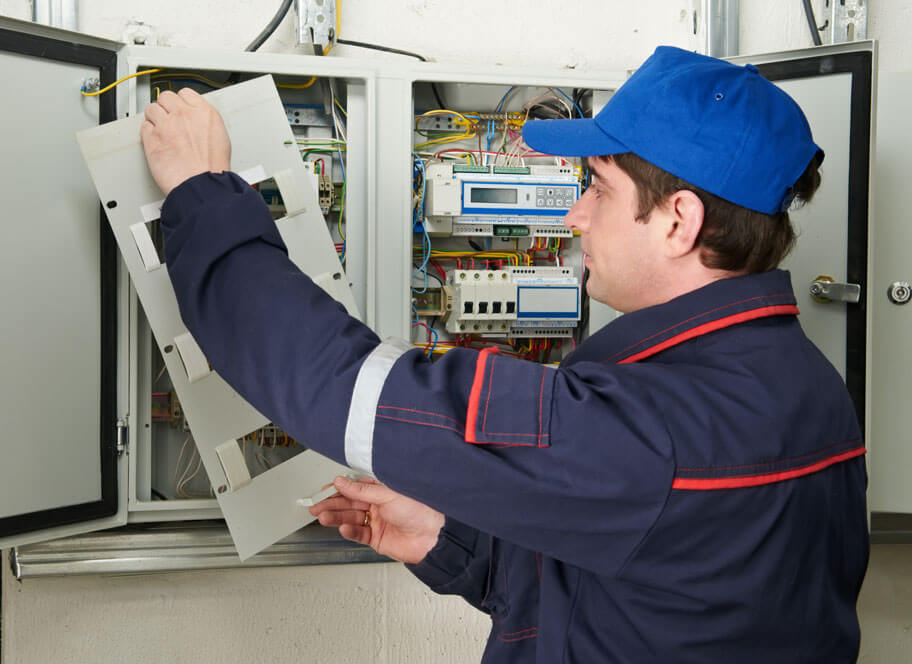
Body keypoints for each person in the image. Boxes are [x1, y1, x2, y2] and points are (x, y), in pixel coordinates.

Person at [140, 46, 868, 662]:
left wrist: (202, 194)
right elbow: (647, 588)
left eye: (600, 188)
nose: (575, 213)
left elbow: (338, 384)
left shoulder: (654, 428)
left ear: (679, 220)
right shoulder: (804, 384)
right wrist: (447, 538)